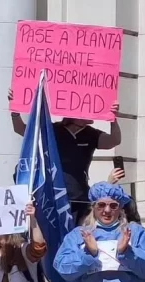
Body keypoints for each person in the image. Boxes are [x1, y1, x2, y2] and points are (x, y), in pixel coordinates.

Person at [9, 88, 122, 223]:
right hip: (53, 196)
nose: (92, 110)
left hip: (79, 197)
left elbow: (114, 140)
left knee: (76, 237)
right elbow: (21, 129)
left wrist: (113, 118)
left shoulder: (91, 134)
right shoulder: (53, 130)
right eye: (87, 106)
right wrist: (15, 111)